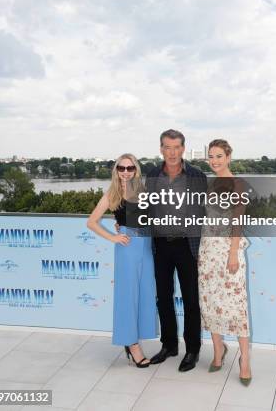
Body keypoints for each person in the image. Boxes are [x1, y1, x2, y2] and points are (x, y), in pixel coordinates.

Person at [87, 153, 157, 368]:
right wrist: (114, 236)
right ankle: (133, 346)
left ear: (136, 170)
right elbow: (92, 222)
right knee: (128, 298)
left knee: (145, 295)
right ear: (116, 170)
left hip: (147, 246)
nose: (125, 172)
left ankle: (136, 338)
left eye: (130, 168)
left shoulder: (144, 191)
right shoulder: (112, 194)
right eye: (121, 168)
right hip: (127, 249)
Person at [146, 129, 207, 372]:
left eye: (176, 147)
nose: (172, 152)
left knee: (191, 300)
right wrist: (123, 221)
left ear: (183, 149)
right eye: (167, 147)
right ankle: (169, 345)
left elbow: (205, 212)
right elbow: (144, 209)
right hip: (160, 244)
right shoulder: (152, 175)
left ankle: (192, 350)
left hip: (187, 245)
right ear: (161, 149)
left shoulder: (196, 175)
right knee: (163, 298)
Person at [198, 139, 252, 385]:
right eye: (211, 156)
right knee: (209, 300)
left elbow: (237, 223)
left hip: (228, 250)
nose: (215, 161)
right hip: (208, 250)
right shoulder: (210, 184)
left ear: (229, 157)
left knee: (236, 305)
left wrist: (232, 254)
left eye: (219, 156)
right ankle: (218, 351)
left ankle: (245, 360)